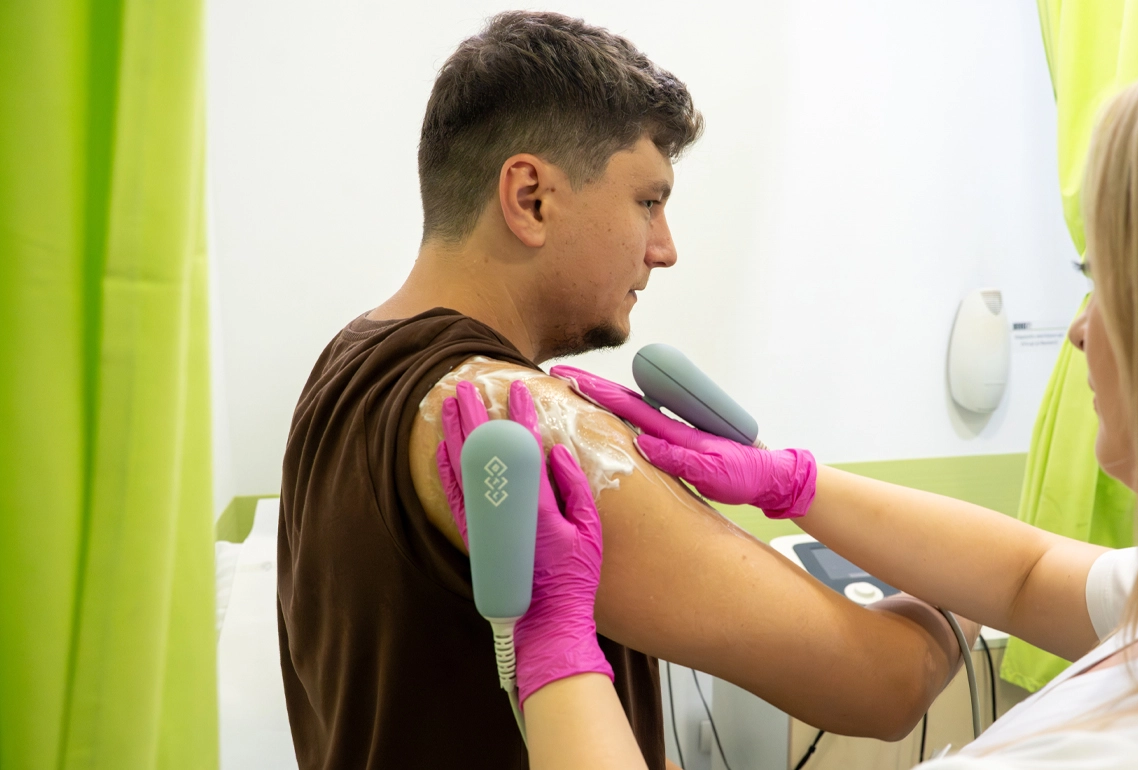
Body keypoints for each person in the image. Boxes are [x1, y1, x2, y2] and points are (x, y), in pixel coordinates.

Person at [437, 4, 1138, 769]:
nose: (1078, 329)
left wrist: (549, 642)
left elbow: (883, 685)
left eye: (1103, 278)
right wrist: (790, 482)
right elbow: (1026, 577)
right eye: (648, 203)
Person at [279, 10, 976, 770]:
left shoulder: (346, 363)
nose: (664, 249)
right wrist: (976, 589)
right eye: (648, 201)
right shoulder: (520, 426)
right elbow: (886, 684)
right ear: (530, 198)